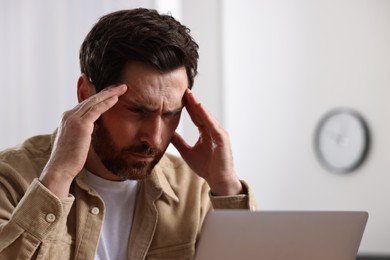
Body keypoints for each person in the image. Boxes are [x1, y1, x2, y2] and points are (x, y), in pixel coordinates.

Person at [0, 8, 256, 260]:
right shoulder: (10, 180)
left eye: (170, 115)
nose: (154, 139)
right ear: (86, 95)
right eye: (137, 111)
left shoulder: (195, 191)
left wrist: (225, 186)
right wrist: (58, 175)